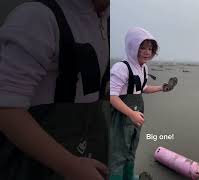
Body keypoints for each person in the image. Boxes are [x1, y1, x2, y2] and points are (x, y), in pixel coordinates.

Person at [0, 0, 110, 179]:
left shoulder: (106, 20)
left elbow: (87, 86)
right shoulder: (37, 17)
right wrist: (70, 166)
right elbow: (6, 107)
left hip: (88, 151)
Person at [109, 27, 176, 180]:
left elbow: (142, 88)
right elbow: (112, 97)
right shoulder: (122, 68)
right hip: (121, 117)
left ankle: (128, 175)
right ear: (132, 47)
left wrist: (160, 87)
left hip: (137, 114)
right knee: (118, 153)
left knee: (131, 149)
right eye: (142, 47)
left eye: (150, 48)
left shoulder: (143, 68)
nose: (147, 52)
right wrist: (131, 113)